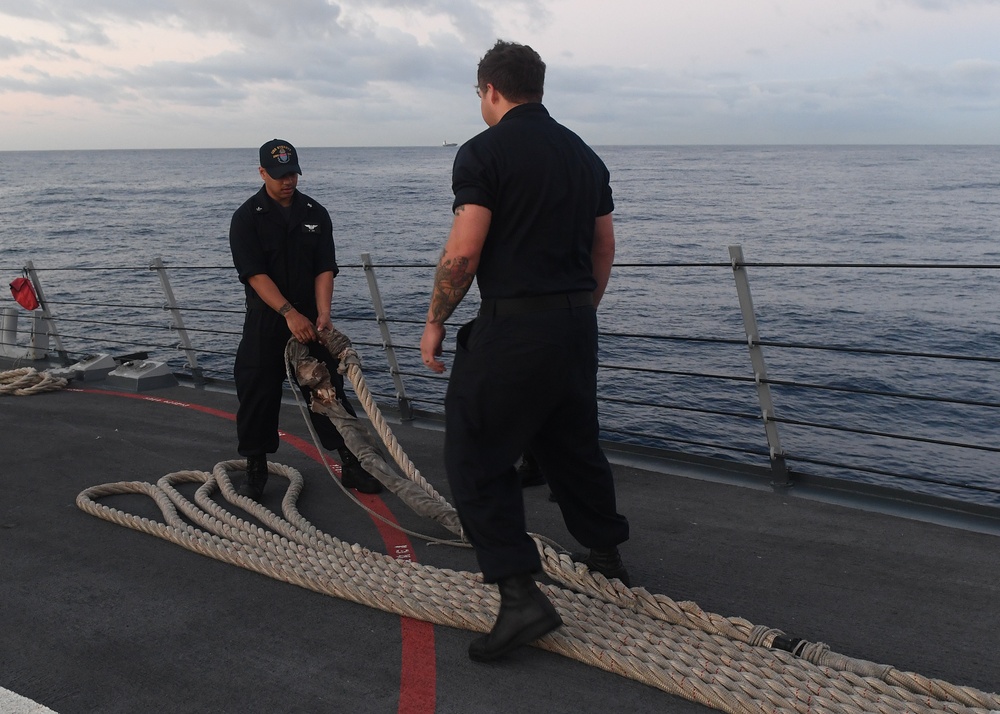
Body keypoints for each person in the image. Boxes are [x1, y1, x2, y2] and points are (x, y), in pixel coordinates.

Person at [419, 41, 631, 662]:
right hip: (574, 325)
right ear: (538, 86)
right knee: (572, 443)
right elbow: (604, 249)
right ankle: (606, 557)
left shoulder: (482, 152)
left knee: (475, 451)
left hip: (514, 330)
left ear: (490, 90)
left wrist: (435, 320)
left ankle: (518, 595)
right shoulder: (584, 156)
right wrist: (579, 313)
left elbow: (464, 250)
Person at [229, 139, 382, 499]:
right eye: (280, 175)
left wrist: (323, 312)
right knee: (255, 392)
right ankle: (255, 469)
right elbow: (254, 274)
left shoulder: (315, 213)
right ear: (262, 172)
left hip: (311, 322)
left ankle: (351, 462)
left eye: (293, 173)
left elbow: (324, 267)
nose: (289, 181)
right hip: (267, 320)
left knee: (328, 390)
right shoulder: (246, 217)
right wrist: (288, 313)